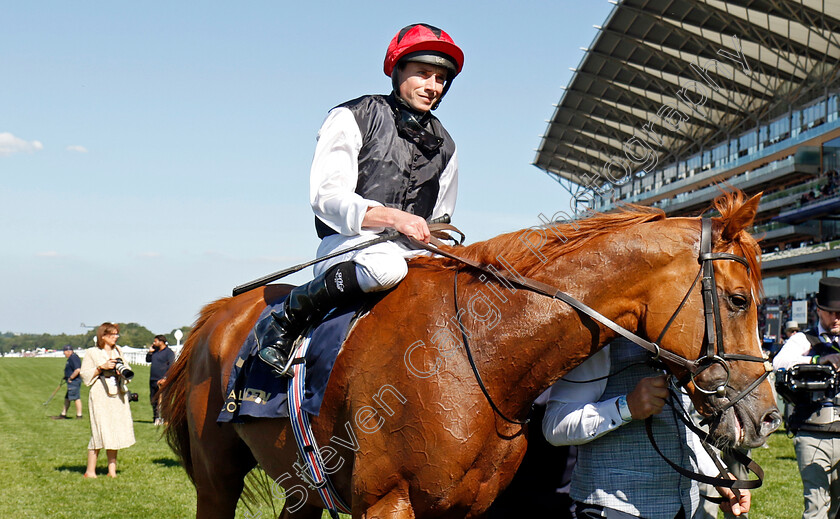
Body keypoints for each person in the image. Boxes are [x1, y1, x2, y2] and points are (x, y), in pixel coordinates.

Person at [259, 23, 463, 376]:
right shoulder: (353, 115)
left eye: (440, 79)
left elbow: (441, 218)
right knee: (386, 266)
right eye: (423, 74)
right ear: (398, 71)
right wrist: (393, 218)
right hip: (350, 247)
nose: (432, 86)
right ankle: (288, 315)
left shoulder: (447, 145)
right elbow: (326, 196)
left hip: (412, 254)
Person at [543, 338, 750, 519]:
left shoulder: (680, 341)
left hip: (686, 507)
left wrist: (721, 477)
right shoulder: (601, 337)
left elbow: (681, 429)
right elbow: (555, 425)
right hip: (615, 510)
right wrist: (627, 407)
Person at [773, 277, 840, 518]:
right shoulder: (804, 340)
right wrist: (816, 360)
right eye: (831, 312)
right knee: (816, 506)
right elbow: (778, 363)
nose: (836, 318)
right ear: (819, 310)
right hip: (812, 431)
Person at [80, 322, 136, 478]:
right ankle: (90, 471)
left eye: (117, 334)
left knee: (115, 431)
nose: (116, 337)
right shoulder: (92, 352)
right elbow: (85, 374)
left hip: (118, 393)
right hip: (100, 394)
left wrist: (121, 372)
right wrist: (101, 367)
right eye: (112, 334)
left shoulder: (118, 350)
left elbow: (127, 369)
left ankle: (112, 471)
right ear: (103, 336)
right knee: (100, 431)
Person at [146, 334, 175, 426]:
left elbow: (171, 366)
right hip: (153, 379)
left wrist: (165, 378)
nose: (154, 343)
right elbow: (148, 360)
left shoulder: (169, 352)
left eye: (155, 341)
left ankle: (164, 418)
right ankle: (156, 418)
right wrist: (150, 352)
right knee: (153, 399)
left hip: (163, 380)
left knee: (163, 400)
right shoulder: (155, 351)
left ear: (161, 342)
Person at [59, 344, 83, 419]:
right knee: (67, 398)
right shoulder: (71, 358)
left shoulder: (73, 358)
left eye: (65, 352)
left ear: (69, 351)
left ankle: (79, 415)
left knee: (76, 398)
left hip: (74, 381)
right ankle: (63, 414)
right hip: (71, 381)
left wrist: (71, 378)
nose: (64, 354)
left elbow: (77, 370)